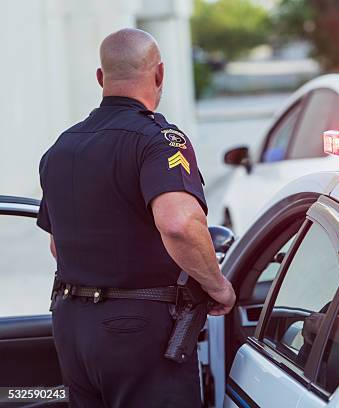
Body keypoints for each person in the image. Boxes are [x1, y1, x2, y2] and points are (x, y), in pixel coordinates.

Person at [36, 28, 235, 407]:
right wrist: (218, 285)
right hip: (139, 331)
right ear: (159, 75)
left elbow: (58, 246)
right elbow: (179, 223)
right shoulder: (158, 141)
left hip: (71, 327)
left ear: (101, 78)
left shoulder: (62, 147)